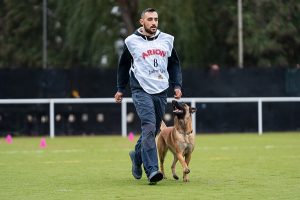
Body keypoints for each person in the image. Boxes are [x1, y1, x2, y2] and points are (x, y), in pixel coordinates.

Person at [114, 8, 182, 184]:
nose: (154, 22)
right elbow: (123, 66)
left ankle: (136, 157)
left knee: (151, 130)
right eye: (150, 19)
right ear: (141, 22)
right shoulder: (131, 41)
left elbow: (174, 64)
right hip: (140, 89)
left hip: (161, 90)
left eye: (156, 19)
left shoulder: (167, 39)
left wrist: (177, 85)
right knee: (149, 125)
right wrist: (121, 88)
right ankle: (152, 170)